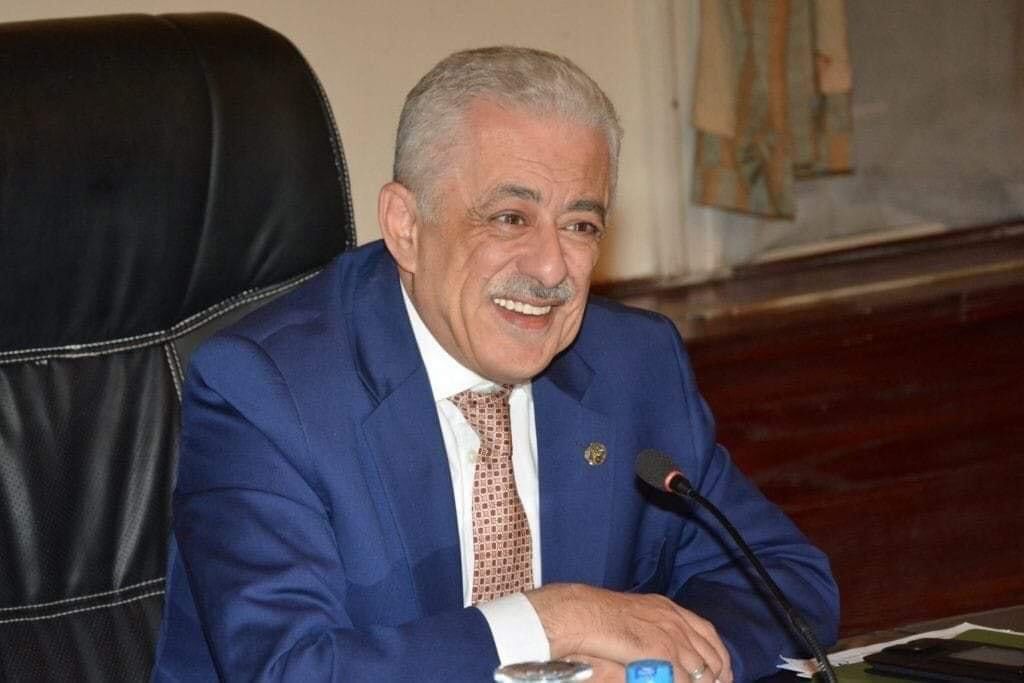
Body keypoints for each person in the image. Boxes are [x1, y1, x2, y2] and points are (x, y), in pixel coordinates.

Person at [152, 46, 838, 682]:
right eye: (510, 218)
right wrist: (555, 619)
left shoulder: (634, 365)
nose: (551, 268)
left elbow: (785, 581)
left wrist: (653, 666)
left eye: (580, 226)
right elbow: (292, 670)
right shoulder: (268, 392)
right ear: (406, 227)